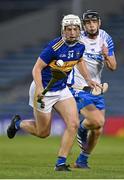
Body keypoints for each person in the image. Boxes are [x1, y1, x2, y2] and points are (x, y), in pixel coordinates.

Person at [7, 14, 100, 171]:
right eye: (68, 29)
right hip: (44, 90)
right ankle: (17, 124)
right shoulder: (54, 47)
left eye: (75, 29)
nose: (72, 32)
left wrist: (88, 79)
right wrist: (39, 88)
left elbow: (79, 60)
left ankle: (61, 163)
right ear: (63, 30)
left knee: (74, 123)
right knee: (43, 132)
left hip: (62, 90)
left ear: (79, 30)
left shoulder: (80, 46)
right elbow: (36, 68)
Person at [67, 10, 117, 168]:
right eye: (88, 23)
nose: (91, 25)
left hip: (97, 89)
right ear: (84, 25)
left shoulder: (106, 38)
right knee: (97, 121)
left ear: (99, 23)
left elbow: (113, 67)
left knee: (98, 129)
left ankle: (82, 161)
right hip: (79, 88)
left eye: (94, 22)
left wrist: (106, 55)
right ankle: (81, 129)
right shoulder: (78, 38)